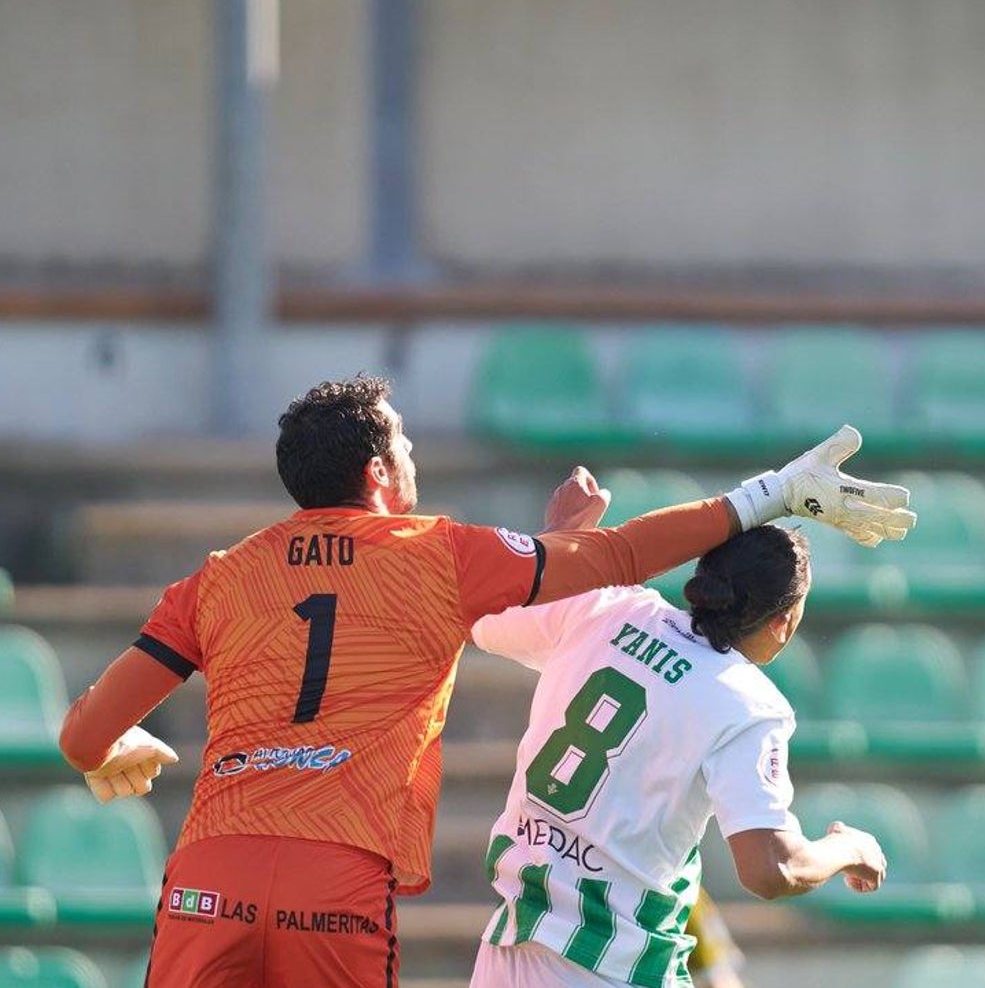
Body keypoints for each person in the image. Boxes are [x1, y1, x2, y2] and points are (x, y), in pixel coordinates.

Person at [57, 375, 913, 987]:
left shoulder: (220, 576)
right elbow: (618, 556)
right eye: (407, 444)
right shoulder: (438, 555)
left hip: (218, 872)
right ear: (379, 474)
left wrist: (116, 744)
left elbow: (81, 737)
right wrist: (772, 493)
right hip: (351, 884)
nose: (415, 456)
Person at [467, 522, 888, 988]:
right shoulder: (747, 703)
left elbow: (483, 612)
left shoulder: (611, 606)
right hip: (611, 967)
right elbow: (771, 869)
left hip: (508, 952)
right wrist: (851, 848)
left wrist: (560, 539)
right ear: (783, 620)